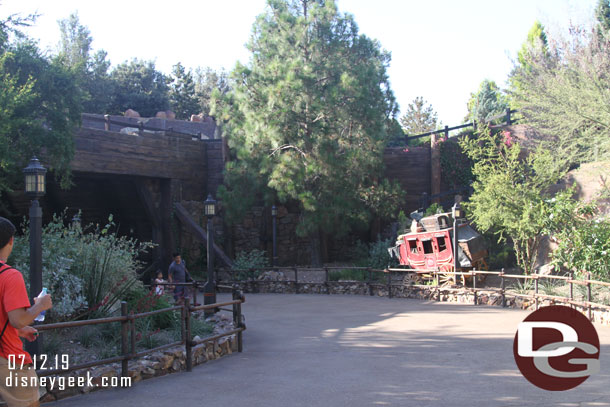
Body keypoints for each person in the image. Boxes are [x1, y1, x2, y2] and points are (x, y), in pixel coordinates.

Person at [0, 217, 52, 407]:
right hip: (8, 359)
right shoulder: (10, 276)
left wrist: (20, 331)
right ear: (11, 240)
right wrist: (40, 305)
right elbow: (17, 319)